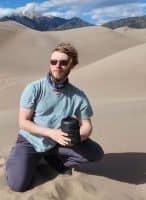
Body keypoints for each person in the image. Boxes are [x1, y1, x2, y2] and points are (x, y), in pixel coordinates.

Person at [6, 43, 104, 192]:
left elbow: (86, 125)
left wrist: (77, 138)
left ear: (72, 65)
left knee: (95, 153)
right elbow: (23, 122)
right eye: (53, 62)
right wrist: (51, 133)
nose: (57, 66)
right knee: (18, 185)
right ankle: (19, 159)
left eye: (63, 62)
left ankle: (51, 157)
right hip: (31, 141)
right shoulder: (34, 88)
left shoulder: (78, 96)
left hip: (59, 142)